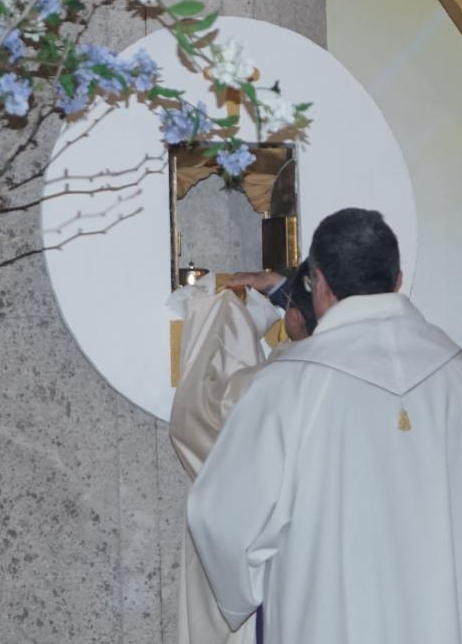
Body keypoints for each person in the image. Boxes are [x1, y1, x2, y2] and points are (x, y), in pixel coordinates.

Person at [187, 208, 462, 644]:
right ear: (397, 280)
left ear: (318, 282)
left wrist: (250, 589)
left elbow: (223, 520)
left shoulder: (285, 386)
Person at [170, 263, 316, 644]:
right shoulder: (370, 374)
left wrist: (221, 314)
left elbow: (196, 418)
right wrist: (285, 290)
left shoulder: (271, 384)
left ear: (295, 317)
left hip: (283, 578)